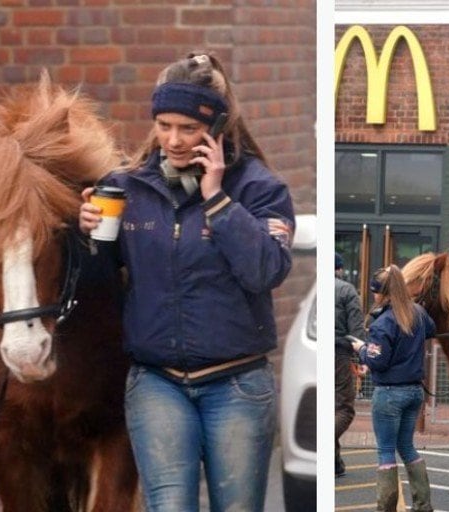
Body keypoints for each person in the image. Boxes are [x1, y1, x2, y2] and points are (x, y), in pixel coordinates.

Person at [79, 52, 295, 512]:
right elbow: (101, 283)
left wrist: (217, 199)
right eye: (163, 124)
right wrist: (87, 232)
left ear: (216, 127)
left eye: (188, 128)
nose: (172, 140)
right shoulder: (126, 189)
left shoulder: (260, 189)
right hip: (157, 383)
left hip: (236, 385)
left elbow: (266, 271)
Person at [350, 265, 436, 512]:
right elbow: (430, 330)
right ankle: (423, 504)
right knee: (407, 447)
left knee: (386, 451)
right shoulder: (417, 312)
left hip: (389, 394)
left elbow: (378, 360)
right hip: (414, 392)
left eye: (375, 292)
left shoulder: (383, 323)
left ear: (383, 293)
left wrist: (361, 350)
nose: (373, 296)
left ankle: (386, 508)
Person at [334, 252, 366, 477]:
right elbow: (356, 333)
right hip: (338, 355)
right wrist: (364, 360)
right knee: (344, 409)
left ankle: (334, 463)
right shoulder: (346, 290)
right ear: (339, 269)